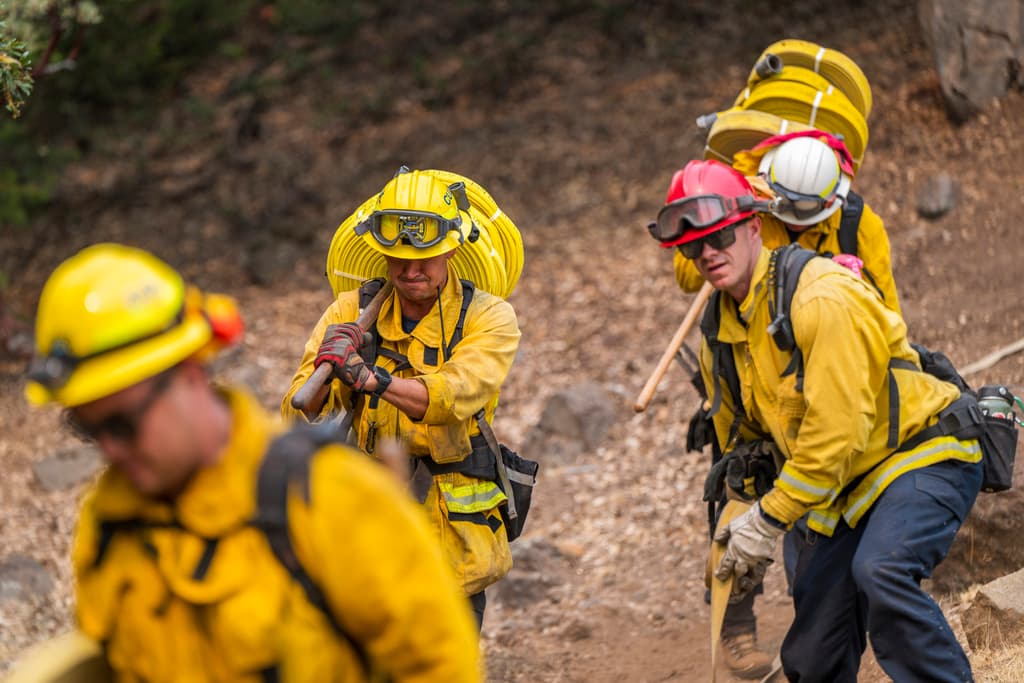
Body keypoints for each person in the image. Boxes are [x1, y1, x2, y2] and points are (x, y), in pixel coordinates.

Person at [23, 243, 481, 682]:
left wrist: (367, 377)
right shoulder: (109, 525)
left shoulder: (328, 497)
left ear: (188, 374)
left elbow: (439, 665)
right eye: (89, 430)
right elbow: (300, 405)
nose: (111, 452)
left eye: (123, 425)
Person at [664, 160, 983, 682]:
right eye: (693, 246)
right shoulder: (720, 331)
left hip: (919, 452)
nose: (707, 255)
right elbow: (739, 445)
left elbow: (836, 432)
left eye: (718, 236)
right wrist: (740, 521)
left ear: (752, 227)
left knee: (880, 571)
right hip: (841, 487)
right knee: (811, 658)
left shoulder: (817, 297)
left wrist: (770, 520)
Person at [656, 135, 901, 678]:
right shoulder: (745, 213)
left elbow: (887, 306)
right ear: (769, 202)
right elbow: (688, 270)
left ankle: (820, 616)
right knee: (739, 479)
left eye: (808, 213)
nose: (795, 221)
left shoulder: (859, 226)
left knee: (804, 512)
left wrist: (846, 293)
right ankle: (738, 620)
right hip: (753, 373)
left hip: (830, 367)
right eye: (785, 211)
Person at [282, 167, 521, 629]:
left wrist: (372, 381)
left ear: (452, 246)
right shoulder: (348, 312)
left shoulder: (490, 318)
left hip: (452, 541)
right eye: (398, 258)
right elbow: (297, 408)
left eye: (425, 257)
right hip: (366, 529)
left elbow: (454, 394)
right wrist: (328, 377)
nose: (411, 270)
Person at [673, 132, 901, 315]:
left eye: (803, 208)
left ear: (830, 200)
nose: (793, 219)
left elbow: (888, 314)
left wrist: (849, 288)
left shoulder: (859, 225)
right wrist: (731, 205)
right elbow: (686, 278)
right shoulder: (750, 212)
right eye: (784, 204)